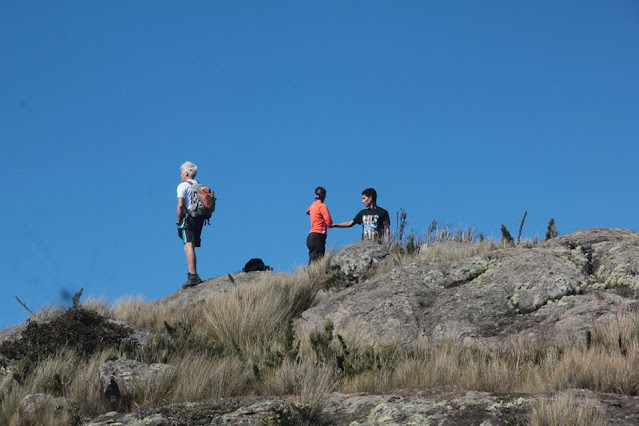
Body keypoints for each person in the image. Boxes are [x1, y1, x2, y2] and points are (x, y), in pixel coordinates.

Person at [176, 161, 205, 288]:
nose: (181, 175)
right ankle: (193, 274)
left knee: (188, 246)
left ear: (186, 173)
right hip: (199, 218)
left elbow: (181, 204)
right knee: (191, 245)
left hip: (188, 218)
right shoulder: (197, 184)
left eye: (181, 172)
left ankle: (193, 275)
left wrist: (178, 220)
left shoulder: (183, 186)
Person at [306, 186, 333, 263]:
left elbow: (308, 210)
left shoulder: (312, 206)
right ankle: (312, 274)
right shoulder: (322, 206)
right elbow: (329, 222)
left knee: (313, 258)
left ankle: (308, 273)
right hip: (318, 235)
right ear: (324, 196)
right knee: (317, 260)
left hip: (311, 236)